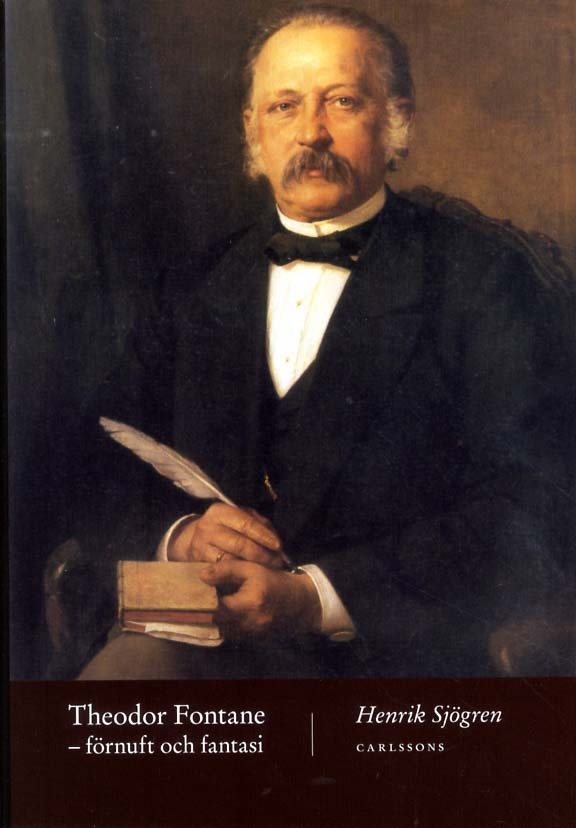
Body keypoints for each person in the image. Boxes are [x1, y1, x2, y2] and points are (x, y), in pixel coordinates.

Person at [77, 4, 573, 679]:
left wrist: (315, 597)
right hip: (200, 637)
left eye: (342, 101)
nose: (311, 131)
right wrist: (181, 535)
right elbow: (95, 462)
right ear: (252, 132)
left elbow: (536, 502)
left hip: (390, 653)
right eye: (284, 106)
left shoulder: (483, 279)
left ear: (397, 121)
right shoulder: (193, 284)